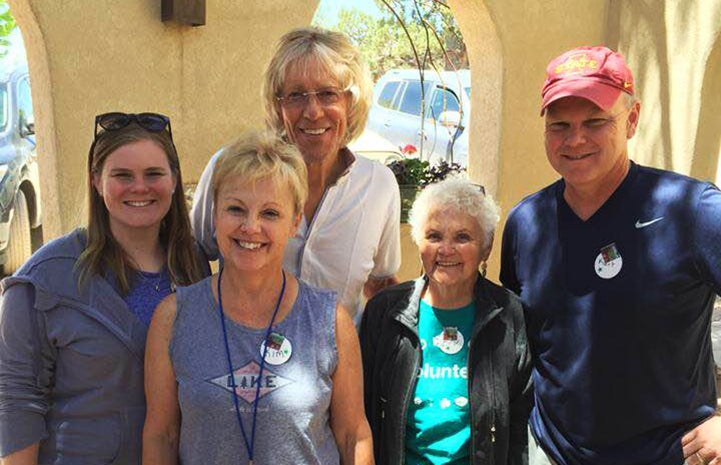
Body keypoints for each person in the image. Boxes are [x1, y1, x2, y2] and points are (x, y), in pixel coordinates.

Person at [500, 46, 721, 465]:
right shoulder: (527, 222)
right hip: (550, 452)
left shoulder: (691, 210)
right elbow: (525, 345)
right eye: (559, 125)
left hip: (670, 454)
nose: (575, 139)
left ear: (632, 119)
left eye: (596, 121)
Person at [143, 130, 373, 465]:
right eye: (236, 209)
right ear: (215, 215)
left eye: (270, 213)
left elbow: (354, 434)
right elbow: (161, 435)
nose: (251, 227)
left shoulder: (330, 322)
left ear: (294, 222)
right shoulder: (173, 317)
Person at [0, 112, 208, 465]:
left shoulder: (194, 267)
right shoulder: (45, 280)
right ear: (96, 181)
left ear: (174, 179)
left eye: (153, 174)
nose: (139, 187)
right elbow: (17, 399)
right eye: (122, 176)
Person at [191, 27, 400, 318]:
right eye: (296, 95)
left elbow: (381, 286)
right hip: (238, 357)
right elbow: (192, 258)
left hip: (340, 360)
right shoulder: (228, 169)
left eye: (328, 94)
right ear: (278, 107)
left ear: (350, 102)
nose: (313, 112)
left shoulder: (379, 185)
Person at [361, 178, 532, 465]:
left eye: (462, 237)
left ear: (486, 248)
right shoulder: (386, 311)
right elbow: (362, 412)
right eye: (434, 236)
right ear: (419, 242)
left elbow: (520, 421)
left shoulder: (508, 314)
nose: (446, 249)